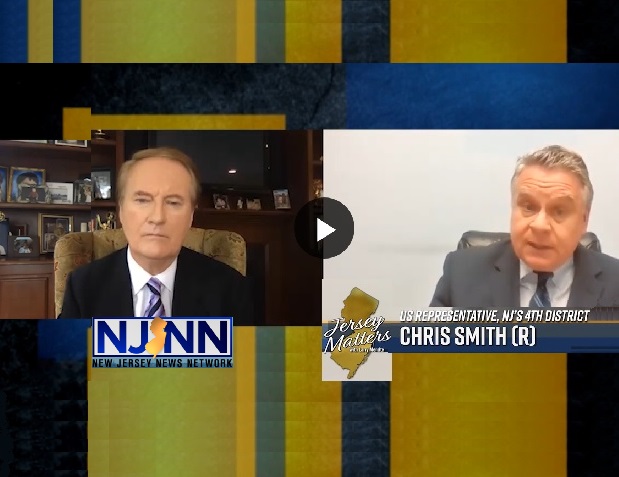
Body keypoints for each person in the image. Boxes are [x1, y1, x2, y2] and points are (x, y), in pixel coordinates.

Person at [58, 147, 253, 323]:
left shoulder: (230, 289)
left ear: (191, 216)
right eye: (142, 200)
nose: (157, 217)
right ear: (121, 211)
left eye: (173, 203)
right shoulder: (83, 287)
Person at [430, 145, 619, 308]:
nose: (540, 226)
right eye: (528, 207)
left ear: (584, 220)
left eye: (559, 211)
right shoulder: (461, 274)